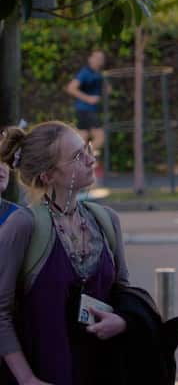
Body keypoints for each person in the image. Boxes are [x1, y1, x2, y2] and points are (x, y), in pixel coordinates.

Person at [0, 121, 130, 385]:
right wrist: (26, 379)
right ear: (48, 175)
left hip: (102, 371)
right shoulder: (23, 225)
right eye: (77, 156)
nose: (90, 159)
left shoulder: (107, 220)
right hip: (46, 374)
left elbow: (124, 291)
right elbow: (0, 312)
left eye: (87, 149)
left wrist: (122, 320)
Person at [64, 51, 106, 175]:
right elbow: (71, 88)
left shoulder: (98, 74)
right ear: (90, 59)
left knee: (81, 140)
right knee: (100, 137)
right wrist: (88, 98)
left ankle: (74, 165)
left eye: (101, 58)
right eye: (97, 58)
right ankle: (82, 160)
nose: (99, 60)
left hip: (89, 111)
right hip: (85, 110)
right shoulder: (85, 73)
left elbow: (103, 89)